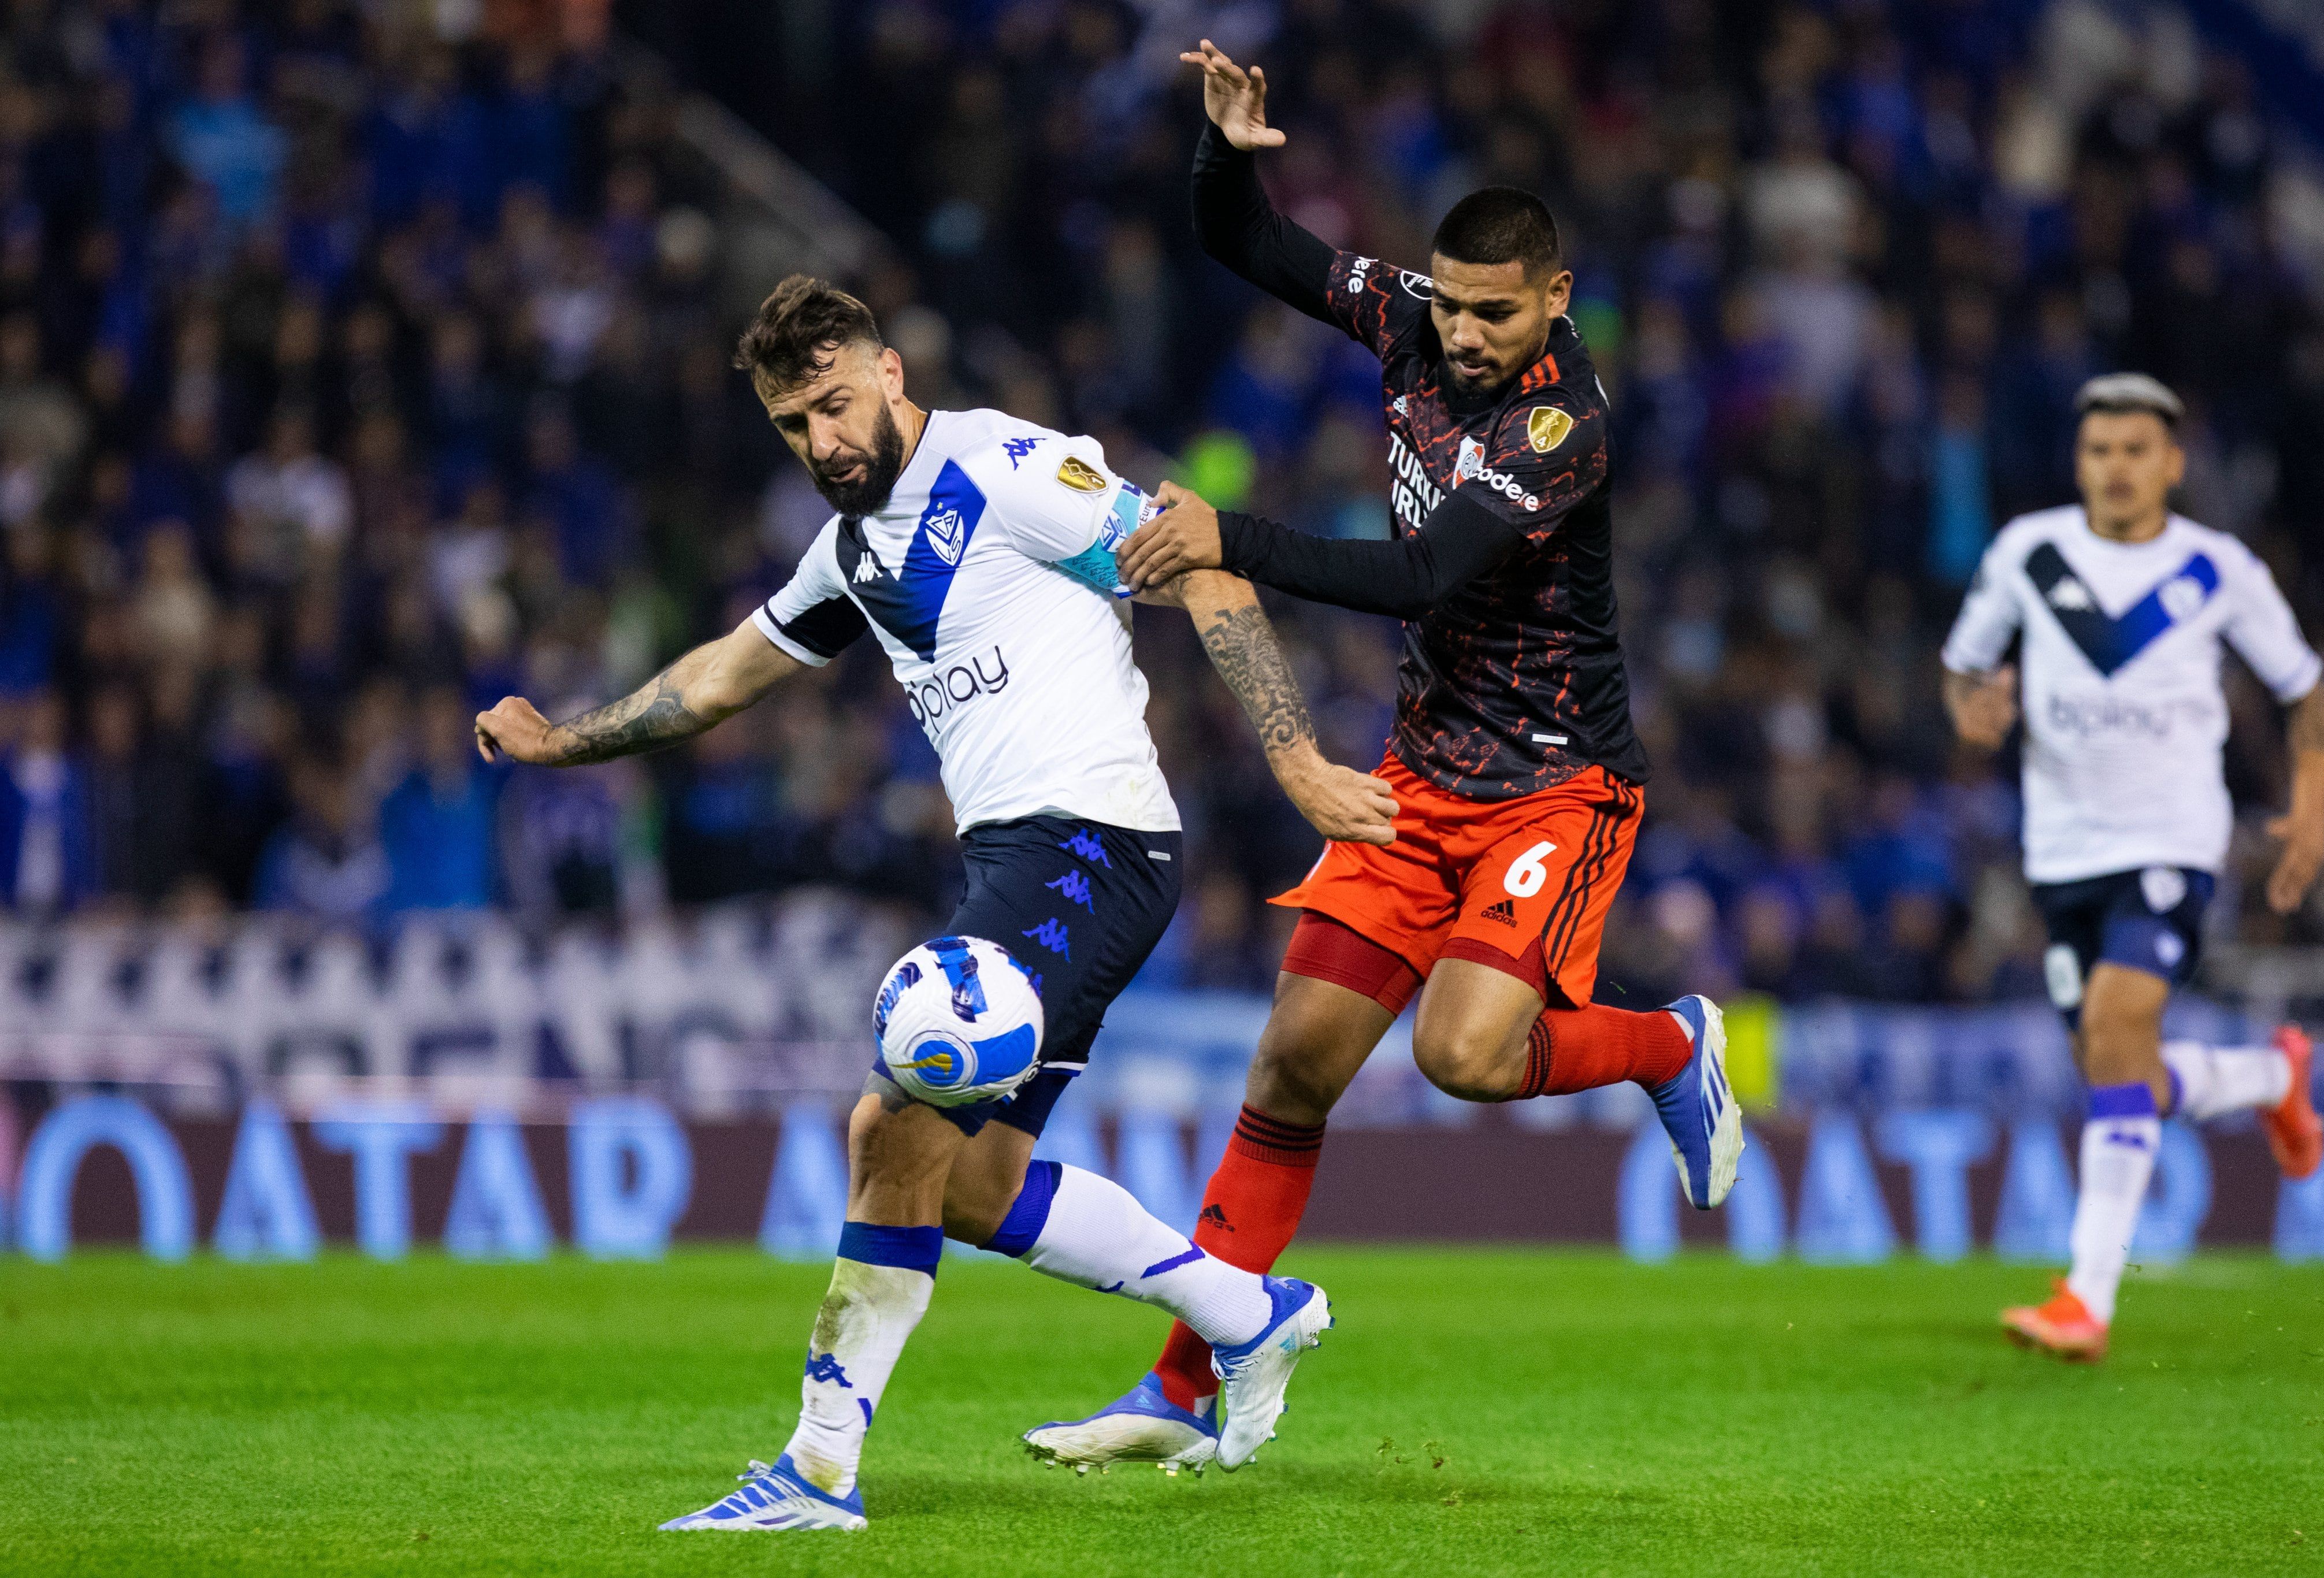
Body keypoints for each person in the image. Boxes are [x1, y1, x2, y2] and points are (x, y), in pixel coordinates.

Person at [474, 276, 1394, 1528]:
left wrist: (1295, 764)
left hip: (1089, 843)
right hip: (1026, 857)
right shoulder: (851, 550)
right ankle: (1249, 1310)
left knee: (887, 1129)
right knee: (961, 1181)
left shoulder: (1004, 467)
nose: (825, 443)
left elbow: (1204, 567)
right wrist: (560, 742)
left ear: (890, 373)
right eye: (795, 427)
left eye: (838, 406)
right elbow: (720, 678)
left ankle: (815, 1469)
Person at [1022, 42, 1736, 1468]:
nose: (1464, 335)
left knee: (1464, 1054)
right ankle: (1176, 1387)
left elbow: (1423, 577)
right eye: (1453, 306)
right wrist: (1226, 150)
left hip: (1556, 779)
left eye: (1493, 313)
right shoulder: (1408, 314)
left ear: (1554, 300)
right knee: (1289, 1065)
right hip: (1418, 775)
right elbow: (1244, 241)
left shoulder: (1561, 425)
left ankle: (1669, 1044)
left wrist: (1232, 537)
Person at [1940, 373, 2324, 1362]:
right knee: (2117, 1069)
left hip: (2171, 844)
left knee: (2116, 1029)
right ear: (2081, 464)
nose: (2117, 468)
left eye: (2136, 451)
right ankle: (2266, 1076)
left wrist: (2312, 813)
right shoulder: (2031, 552)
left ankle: (2088, 1296)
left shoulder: (2217, 569)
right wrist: (1970, 707)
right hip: (2062, 851)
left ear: (2173, 463)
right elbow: (1963, 664)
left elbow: (2308, 691)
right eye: (2100, 451)